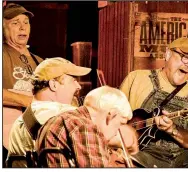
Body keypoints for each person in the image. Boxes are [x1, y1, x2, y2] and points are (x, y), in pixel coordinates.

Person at [120, 37, 188, 167]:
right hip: (142, 155)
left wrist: (173, 129)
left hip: (180, 159)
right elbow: (113, 118)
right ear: (167, 54)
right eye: (185, 57)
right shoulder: (136, 78)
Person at [7, 57, 91, 167]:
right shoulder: (63, 114)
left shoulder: (19, 122)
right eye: (73, 80)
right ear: (53, 85)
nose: (78, 86)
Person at [35, 85, 137, 167]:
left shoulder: (57, 120)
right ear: (112, 115)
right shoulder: (84, 126)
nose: (117, 132)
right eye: (121, 123)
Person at [2, 3, 44, 166]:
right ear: (3, 27)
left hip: (33, 138)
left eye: (26, 22)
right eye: (15, 22)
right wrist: (28, 101)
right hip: (7, 136)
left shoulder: (39, 61)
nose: (22, 27)